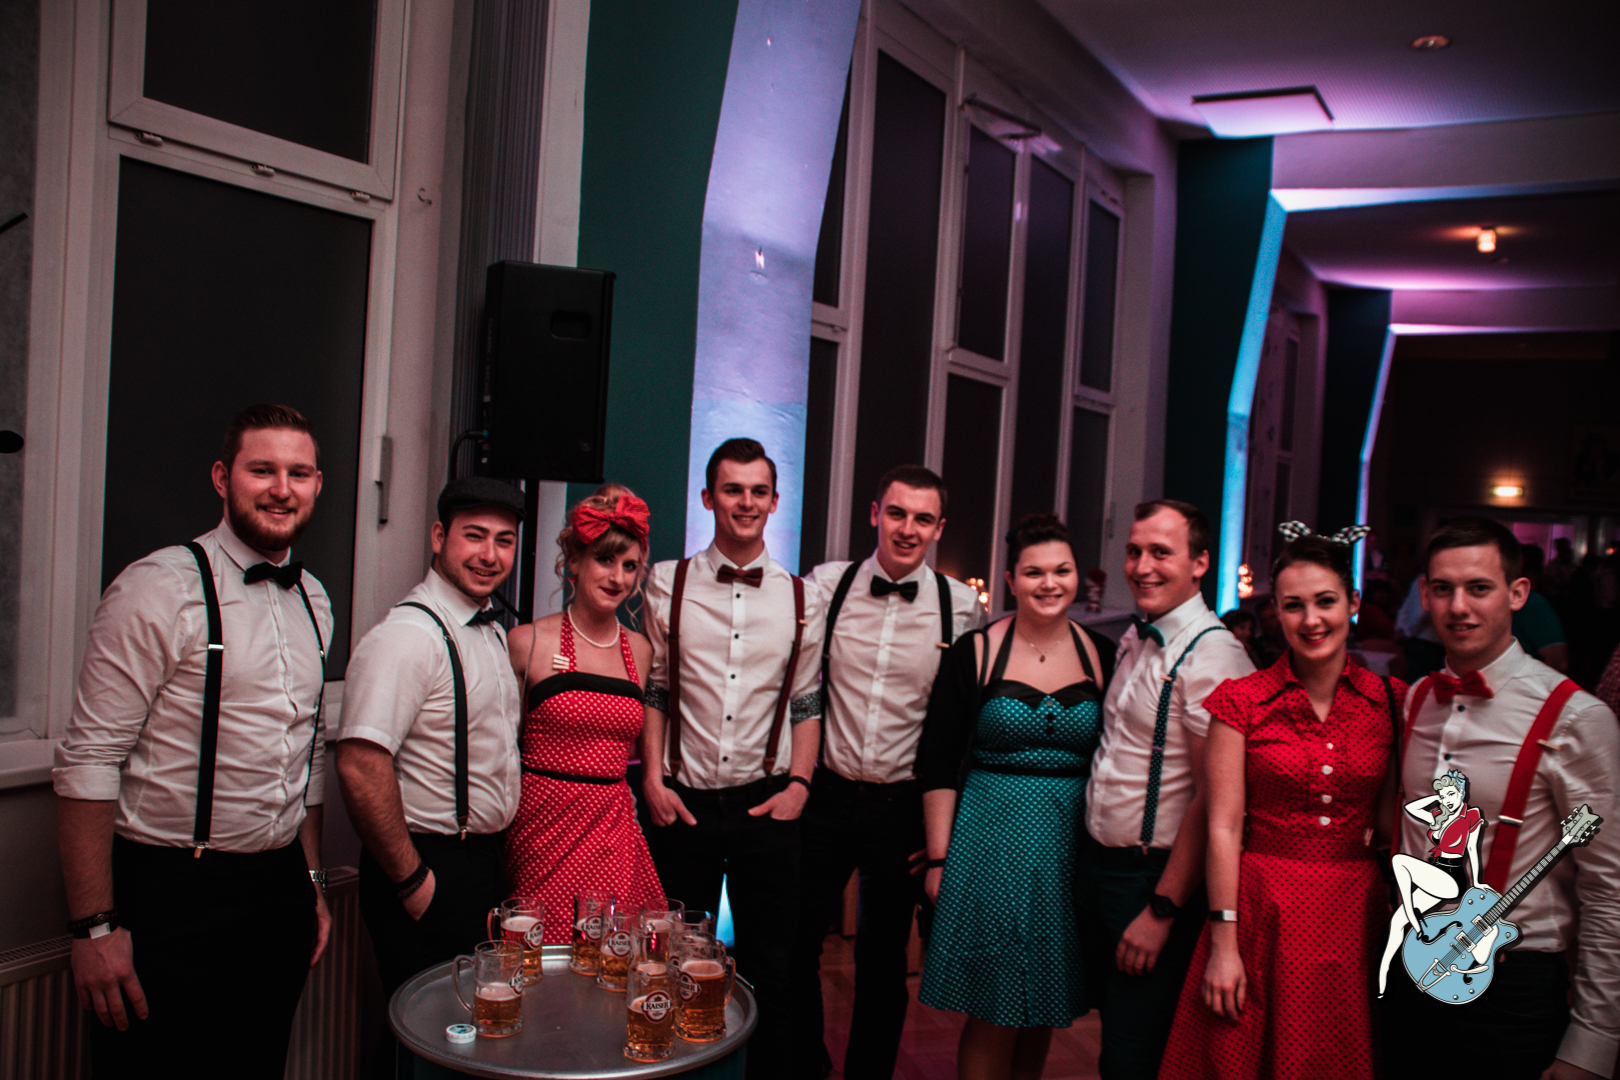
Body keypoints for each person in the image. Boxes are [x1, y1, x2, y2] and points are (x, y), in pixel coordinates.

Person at [54, 404, 332, 1078]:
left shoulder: (315, 599)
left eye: (297, 474)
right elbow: (90, 758)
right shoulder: (158, 586)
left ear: (316, 485)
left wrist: (312, 885)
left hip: (278, 891)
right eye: (262, 470)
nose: (281, 489)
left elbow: (307, 754)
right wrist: (93, 927)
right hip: (173, 891)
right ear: (222, 478)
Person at [1159, 527, 1404, 1080]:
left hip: (1354, 915)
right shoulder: (1241, 701)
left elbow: (1392, 827)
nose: (1311, 619)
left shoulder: (1391, 701)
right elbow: (1223, 827)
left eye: (1325, 601)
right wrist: (1224, 943)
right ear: (1276, 613)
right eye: (1294, 606)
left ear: (1353, 603)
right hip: (1259, 909)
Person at [1380, 517, 1620, 1080]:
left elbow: (1609, 891)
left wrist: (1593, 1042)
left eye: (1479, 588)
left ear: (1517, 593)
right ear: (1424, 595)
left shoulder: (1576, 717)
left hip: (1514, 991)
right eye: (1443, 589)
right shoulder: (1417, 700)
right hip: (1412, 974)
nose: (1458, 606)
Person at [791, 465, 987, 1080]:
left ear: (939, 528)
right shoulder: (828, 584)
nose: (908, 529)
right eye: (897, 513)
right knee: (793, 946)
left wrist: (943, 837)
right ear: (875, 513)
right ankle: (807, 1063)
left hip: (903, 809)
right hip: (825, 795)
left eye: (923, 519)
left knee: (881, 964)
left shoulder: (963, 608)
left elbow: (966, 729)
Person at [640, 438, 824, 1080]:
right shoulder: (667, 582)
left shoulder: (803, 598)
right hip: (682, 805)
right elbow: (657, 689)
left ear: (774, 501)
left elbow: (806, 701)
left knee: (774, 968)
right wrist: (652, 779)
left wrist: (800, 785)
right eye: (732, 489)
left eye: (757, 491)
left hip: (766, 804)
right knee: (671, 965)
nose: (746, 502)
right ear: (708, 498)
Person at [916, 514, 1114, 1080]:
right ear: (1011, 579)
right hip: (990, 843)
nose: (1049, 584)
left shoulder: (1103, 654)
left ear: (1076, 575)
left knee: (1044, 1003)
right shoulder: (975, 651)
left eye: (1062, 571)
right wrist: (939, 859)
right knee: (994, 1006)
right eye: (1034, 573)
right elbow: (937, 761)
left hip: (1070, 849)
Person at [1080, 499, 1253, 1080]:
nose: (1142, 566)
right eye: (1134, 552)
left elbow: (1215, 801)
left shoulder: (1215, 655)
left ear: (1200, 562)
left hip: (1152, 882)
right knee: (1116, 1040)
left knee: (1134, 1058)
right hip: (1103, 871)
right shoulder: (1137, 636)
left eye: (1161, 552)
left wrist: (1162, 909)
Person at [336, 477, 526, 995]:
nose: (489, 555)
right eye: (475, 536)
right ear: (440, 537)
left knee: (476, 1022)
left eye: (504, 541)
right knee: (427, 1025)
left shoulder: (491, 630)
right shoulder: (407, 636)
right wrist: (413, 881)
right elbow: (359, 763)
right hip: (430, 864)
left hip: (482, 865)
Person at [504, 485, 664, 940]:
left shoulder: (640, 650)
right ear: (574, 561)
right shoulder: (528, 641)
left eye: (629, 565)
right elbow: (498, 752)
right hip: (542, 831)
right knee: (536, 956)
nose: (617, 577)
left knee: (609, 957)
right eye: (605, 559)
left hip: (614, 832)